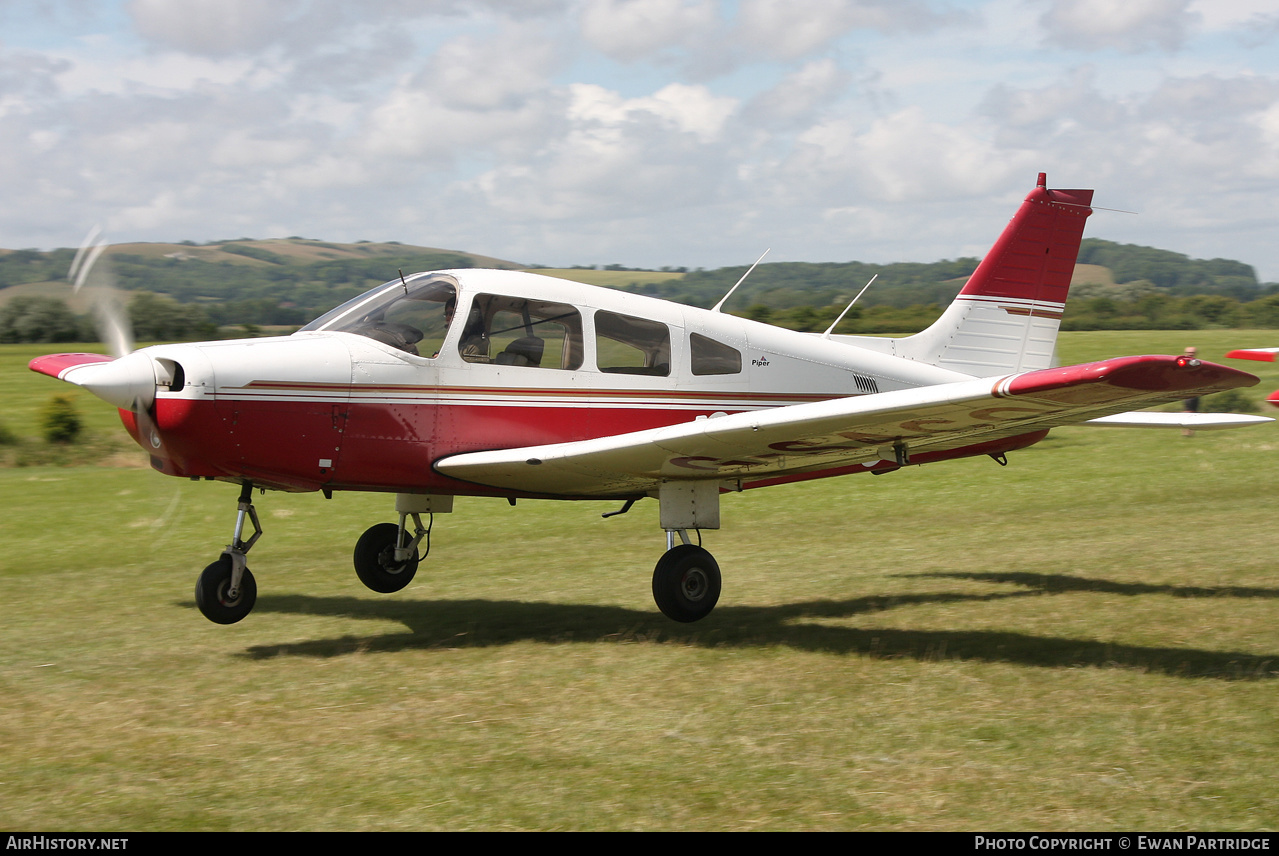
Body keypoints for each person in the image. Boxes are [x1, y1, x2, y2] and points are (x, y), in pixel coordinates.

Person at [1181, 346, 1199, 436]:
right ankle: (1186, 431)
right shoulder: (1182, 364)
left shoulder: (1197, 364)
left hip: (1196, 390)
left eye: (1192, 353)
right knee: (1188, 411)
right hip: (1187, 391)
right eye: (1189, 353)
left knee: (1194, 411)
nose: (1190, 355)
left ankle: (1190, 431)